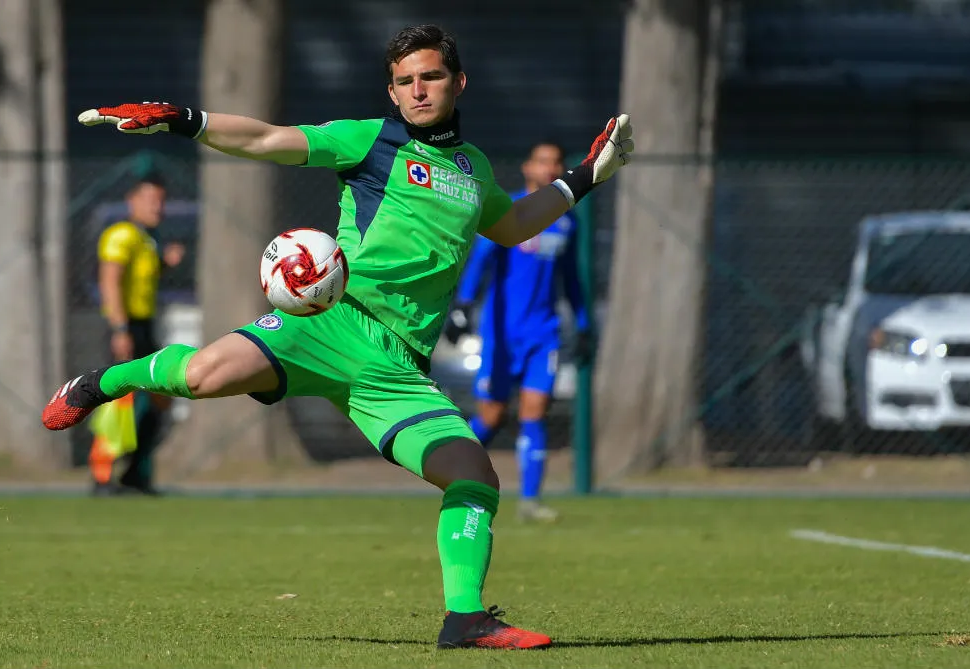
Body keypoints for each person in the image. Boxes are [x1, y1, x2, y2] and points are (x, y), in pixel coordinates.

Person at [43, 24, 633, 649]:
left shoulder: (472, 167)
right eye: (405, 81)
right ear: (392, 90)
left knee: (473, 476)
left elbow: (514, 224)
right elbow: (269, 138)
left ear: (458, 82)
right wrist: (186, 120)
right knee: (200, 377)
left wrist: (589, 174)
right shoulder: (371, 141)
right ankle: (99, 383)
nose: (418, 90)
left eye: (430, 77)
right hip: (328, 322)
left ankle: (464, 619)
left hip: (396, 366)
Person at [444, 140, 592, 523]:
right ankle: (454, 475)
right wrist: (462, 307)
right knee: (491, 416)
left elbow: (571, 278)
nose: (549, 169)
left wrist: (583, 322)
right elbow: (480, 262)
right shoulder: (509, 211)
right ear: (528, 167)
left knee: (534, 413)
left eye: (556, 162)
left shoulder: (567, 221)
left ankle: (529, 502)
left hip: (544, 334)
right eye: (542, 162)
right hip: (502, 336)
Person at [91, 174, 185, 496]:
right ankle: (101, 477)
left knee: (161, 397)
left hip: (144, 326)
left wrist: (165, 264)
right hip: (125, 326)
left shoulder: (148, 239)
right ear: (132, 201)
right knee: (117, 401)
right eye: (150, 200)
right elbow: (110, 282)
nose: (157, 207)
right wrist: (119, 330)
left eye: (161, 200)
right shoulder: (121, 235)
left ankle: (135, 473)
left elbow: (143, 278)